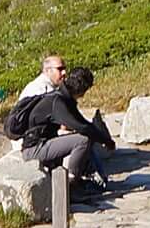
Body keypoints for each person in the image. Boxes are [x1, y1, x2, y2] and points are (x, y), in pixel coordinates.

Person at [23, 65, 116, 195]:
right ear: (82, 91)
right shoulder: (58, 101)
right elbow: (81, 127)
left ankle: (77, 178)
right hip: (34, 150)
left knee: (81, 136)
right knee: (82, 140)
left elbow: (82, 123)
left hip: (41, 143)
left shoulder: (61, 96)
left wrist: (104, 139)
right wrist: (105, 140)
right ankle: (71, 183)